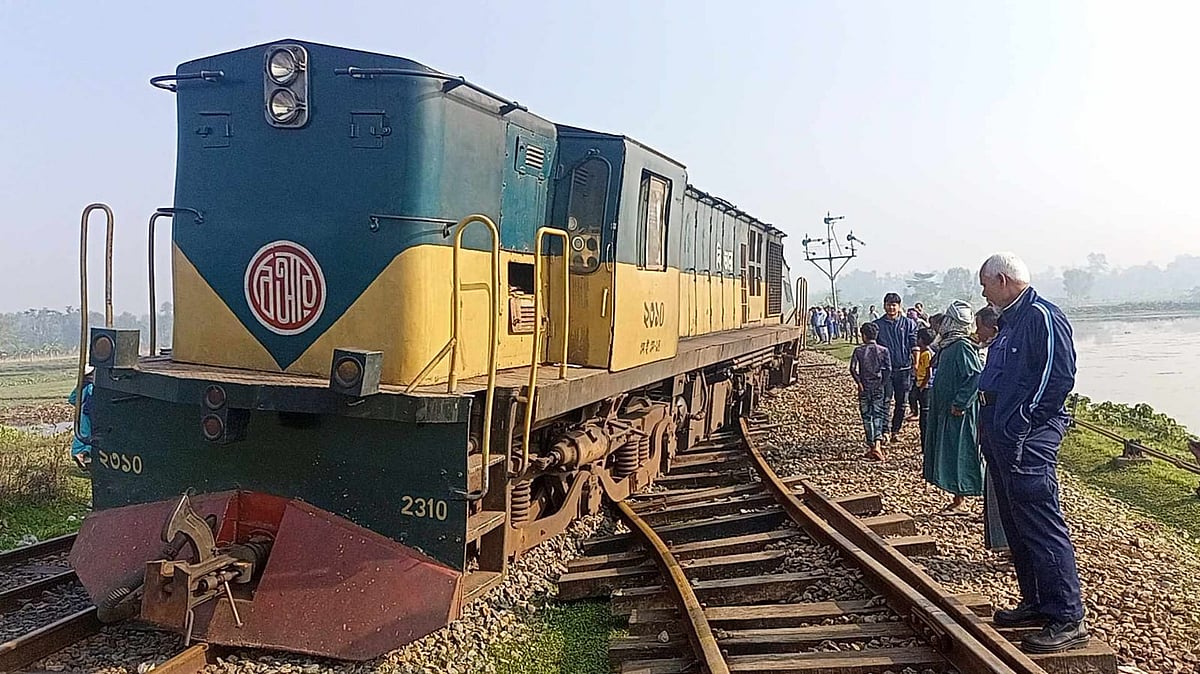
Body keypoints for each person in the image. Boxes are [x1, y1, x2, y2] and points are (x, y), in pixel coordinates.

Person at [977, 252, 1088, 654]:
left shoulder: (1042, 316)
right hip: (1004, 439)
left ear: (1003, 280)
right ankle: (1037, 602)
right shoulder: (1010, 321)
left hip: (1028, 440)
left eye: (985, 284)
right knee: (1017, 524)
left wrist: (1022, 426)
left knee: (1041, 524)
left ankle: (1067, 616)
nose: (984, 293)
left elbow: (1058, 378)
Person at [922, 301, 983, 515]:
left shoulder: (962, 346)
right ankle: (958, 498)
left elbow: (975, 376)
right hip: (945, 409)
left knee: (962, 452)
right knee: (950, 452)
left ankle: (970, 500)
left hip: (959, 413)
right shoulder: (949, 345)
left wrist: (960, 403)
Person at [974, 304, 1007, 552]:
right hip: (990, 419)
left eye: (979, 327)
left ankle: (1010, 543)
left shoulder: (1002, 348)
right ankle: (1004, 542)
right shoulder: (989, 348)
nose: (976, 332)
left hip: (1001, 422)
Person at [873, 293, 919, 443]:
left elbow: (914, 345)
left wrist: (916, 364)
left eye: (894, 304)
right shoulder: (878, 325)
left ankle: (895, 431)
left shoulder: (909, 324)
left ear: (899, 306)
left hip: (904, 368)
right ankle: (885, 431)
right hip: (885, 371)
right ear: (884, 305)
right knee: (885, 400)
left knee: (902, 403)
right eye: (888, 304)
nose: (891, 307)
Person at [850, 322, 891, 461]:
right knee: (878, 414)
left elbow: (853, 369)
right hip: (878, 386)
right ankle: (878, 444)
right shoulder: (883, 350)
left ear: (864, 335)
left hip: (864, 387)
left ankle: (872, 446)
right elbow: (888, 369)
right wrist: (883, 383)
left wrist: (859, 383)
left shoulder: (859, 351)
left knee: (867, 416)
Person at [68, 366, 95, 472]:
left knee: (81, 436)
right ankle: (84, 455)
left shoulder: (82, 386)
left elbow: (72, 399)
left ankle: (80, 455)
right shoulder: (93, 386)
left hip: (82, 415)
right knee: (94, 437)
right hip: (91, 415)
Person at [912, 328, 936, 443]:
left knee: (924, 415)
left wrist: (922, 386)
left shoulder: (927, 354)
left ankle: (925, 441)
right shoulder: (923, 352)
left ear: (921, 339)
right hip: (921, 383)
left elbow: (928, 372)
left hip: (925, 387)